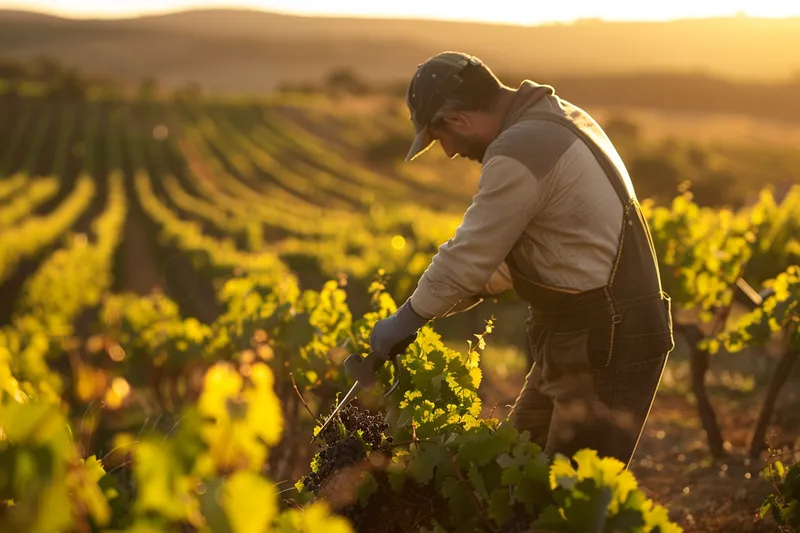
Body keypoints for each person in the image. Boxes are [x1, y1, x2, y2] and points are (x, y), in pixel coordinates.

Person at [366, 51, 674, 469]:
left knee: (567, 497)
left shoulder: (521, 146)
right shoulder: (557, 117)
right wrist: (454, 297)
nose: (451, 152)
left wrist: (404, 321)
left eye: (441, 140)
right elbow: (542, 248)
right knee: (514, 471)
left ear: (456, 119)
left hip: (605, 338)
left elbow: (469, 253)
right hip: (582, 334)